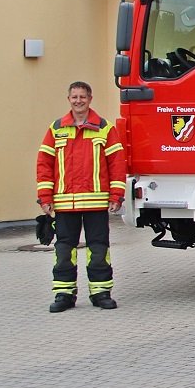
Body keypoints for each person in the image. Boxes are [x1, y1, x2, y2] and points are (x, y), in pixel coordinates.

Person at [37, 81, 126, 313]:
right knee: (64, 250)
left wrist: (117, 195)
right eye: (74, 97)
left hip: (96, 202)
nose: (78, 101)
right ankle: (64, 294)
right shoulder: (56, 129)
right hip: (66, 203)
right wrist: (45, 197)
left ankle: (101, 293)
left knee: (99, 249)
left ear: (90, 99)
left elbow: (117, 164)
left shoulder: (104, 128)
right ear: (69, 99)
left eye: (82, 97)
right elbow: (44, 165)